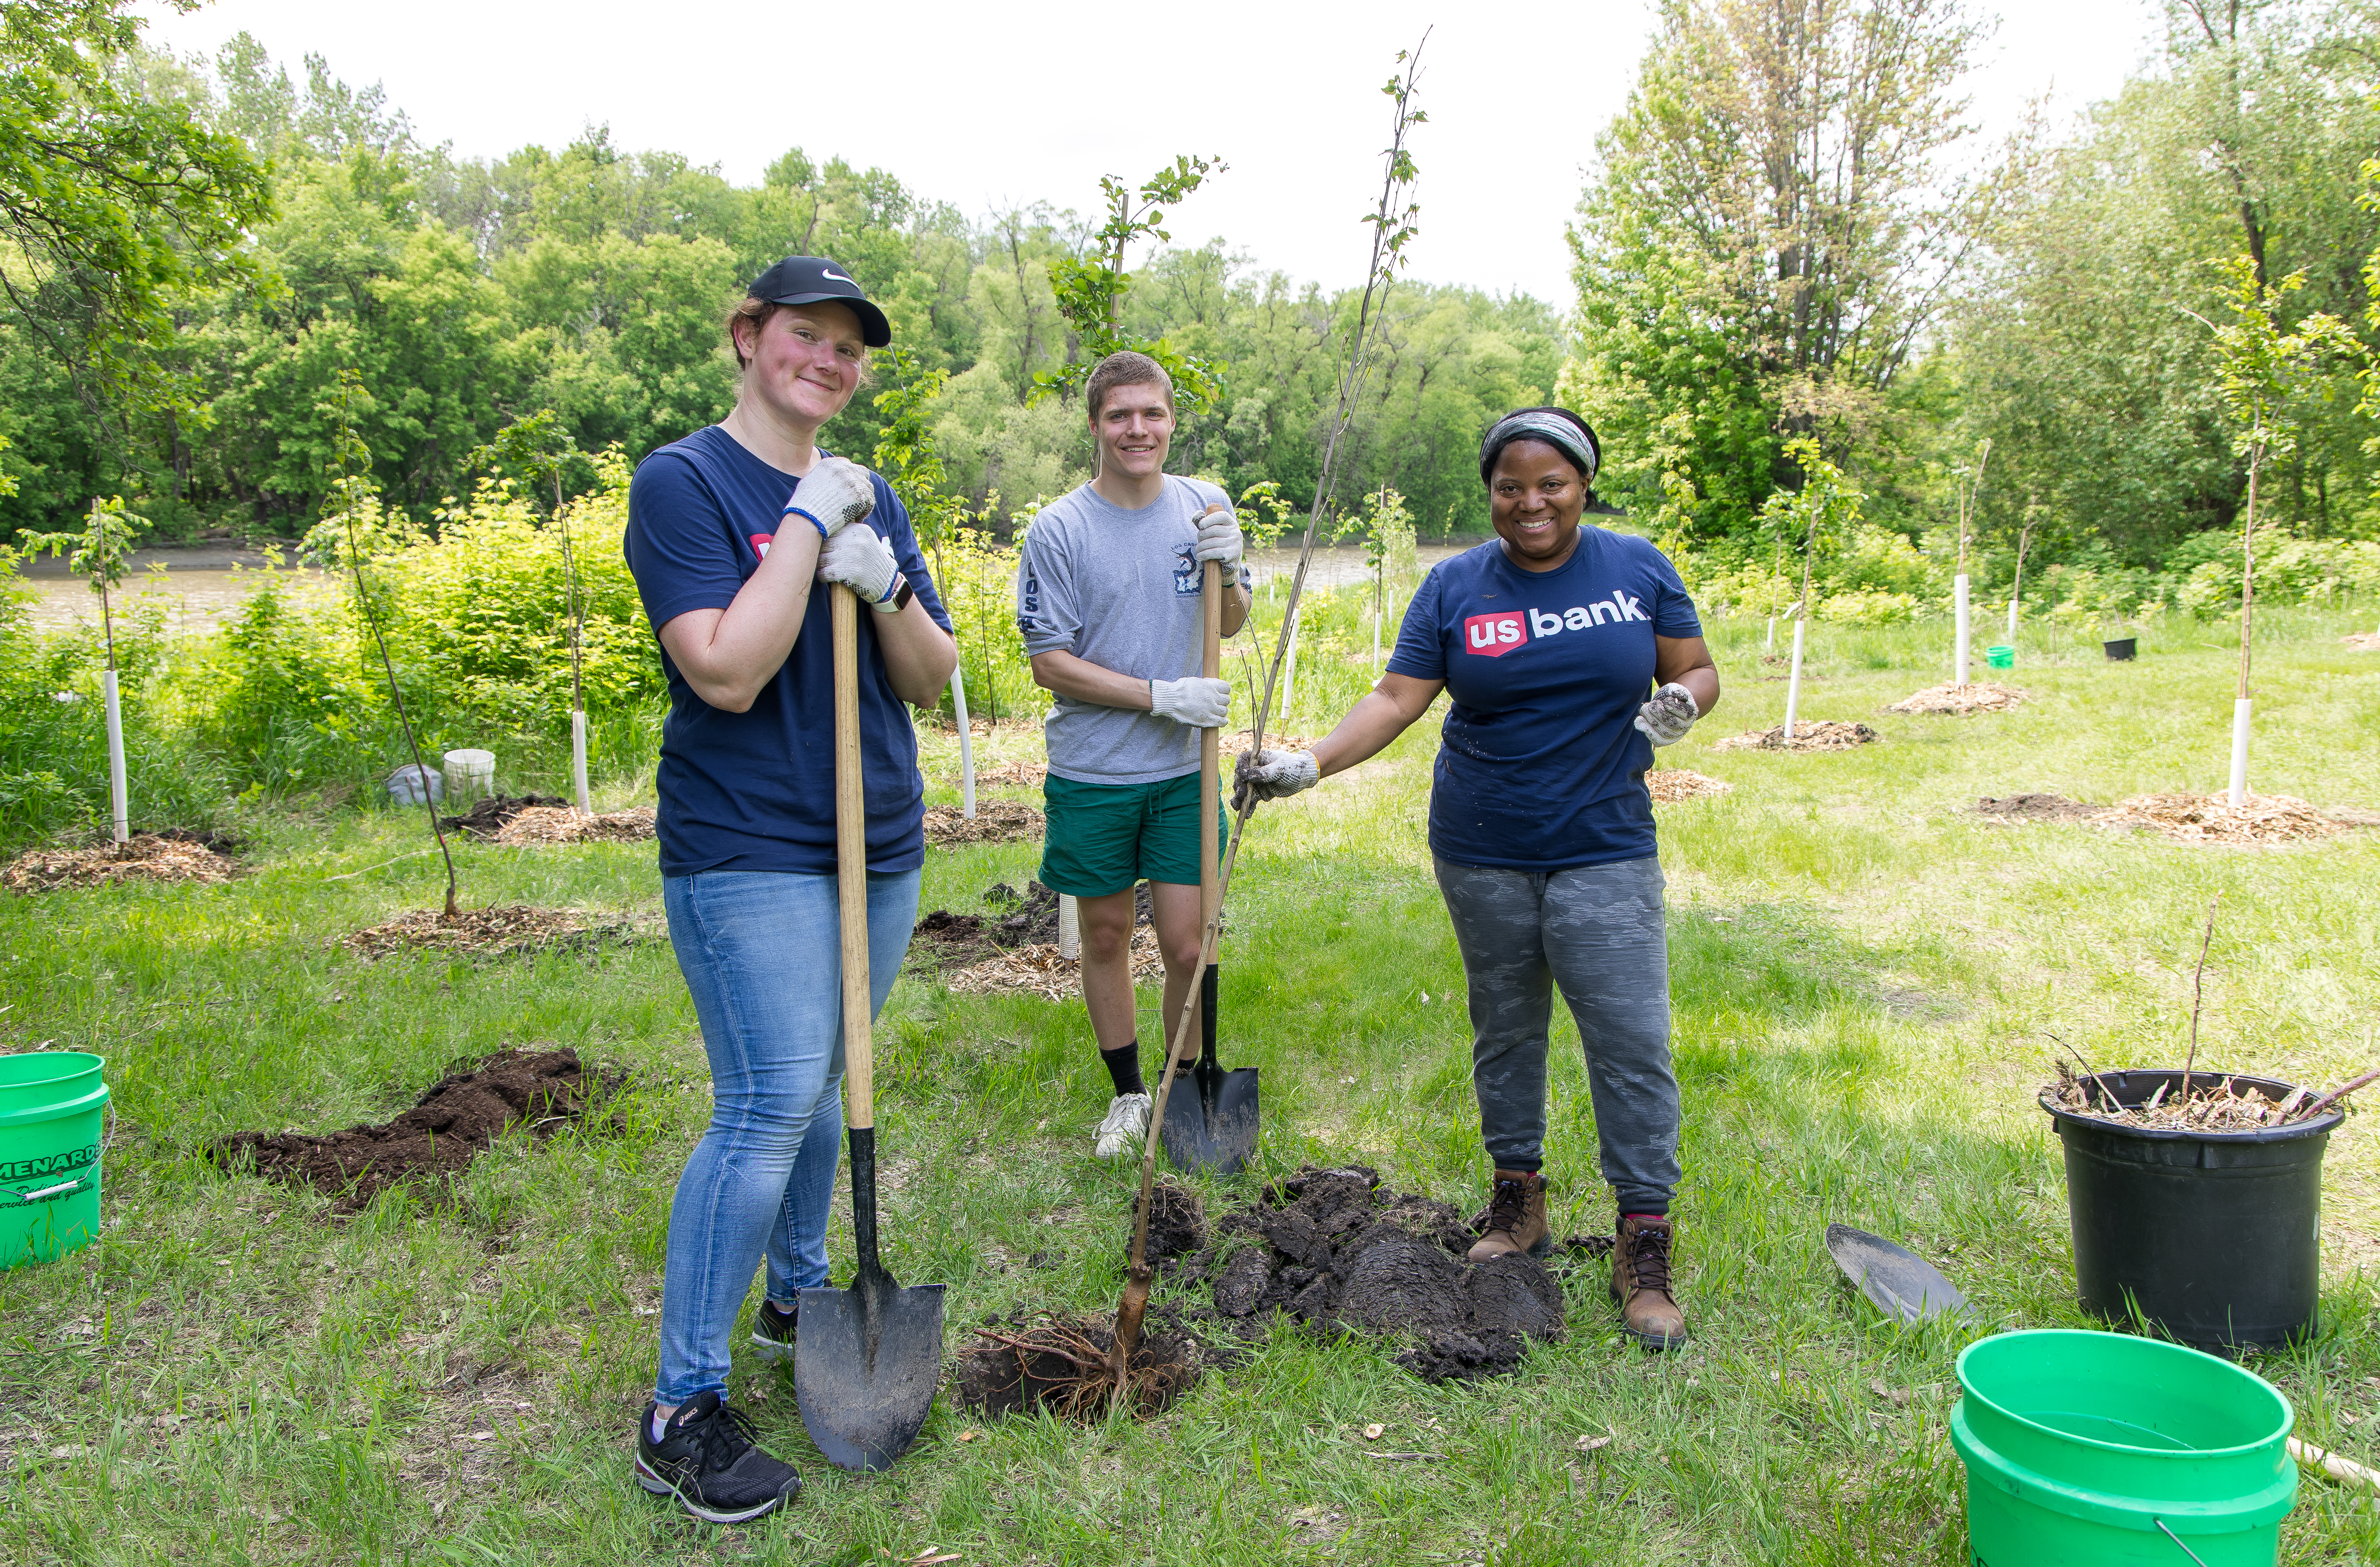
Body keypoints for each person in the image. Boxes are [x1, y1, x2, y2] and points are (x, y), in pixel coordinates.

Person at [1233, 406, 1719, 1350]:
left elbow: (1696, 666)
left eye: (1550, 484)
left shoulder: (1636, 566)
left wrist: (1679, 702)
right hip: (1481, 844)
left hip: (1605, 843)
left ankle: (1643, 1236)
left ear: (1582, 484)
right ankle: (1518, 1199)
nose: (1530, 503)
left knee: (1630, 1039)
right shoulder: (1456, 583)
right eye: (1510, 486)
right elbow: (1396, 696)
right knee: (1505, 1026)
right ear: (1490, 492)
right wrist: (1311, 762)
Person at [621, 256, 958, 1520]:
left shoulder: (875, 495)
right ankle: (678, 1411)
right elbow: (725, 670)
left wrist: (887, 582)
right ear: (750, 337)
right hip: (748, 840)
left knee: (825, 1078)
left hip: (873, 834)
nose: (829, 361)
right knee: (766, 1102)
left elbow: (929, 676)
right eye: (805, 336)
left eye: (849, 347)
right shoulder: (685, 482)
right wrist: (810, 523)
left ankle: (797, 1290)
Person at [1014, 350, 1251, 1160]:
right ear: (1095, 426)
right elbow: (1050, 661)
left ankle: (1185, 1093)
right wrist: (1160, 694)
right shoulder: (1061, 529)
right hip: (1096, 769)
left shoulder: (1203, 506)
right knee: (1109, 934)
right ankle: (1127, 1094)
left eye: (1151, 413)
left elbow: (1229, 624)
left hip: (1187, 771)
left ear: (1172, 419)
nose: (1137, 429)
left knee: (1190, 940)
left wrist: (1235, 567)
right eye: (1119, 416)